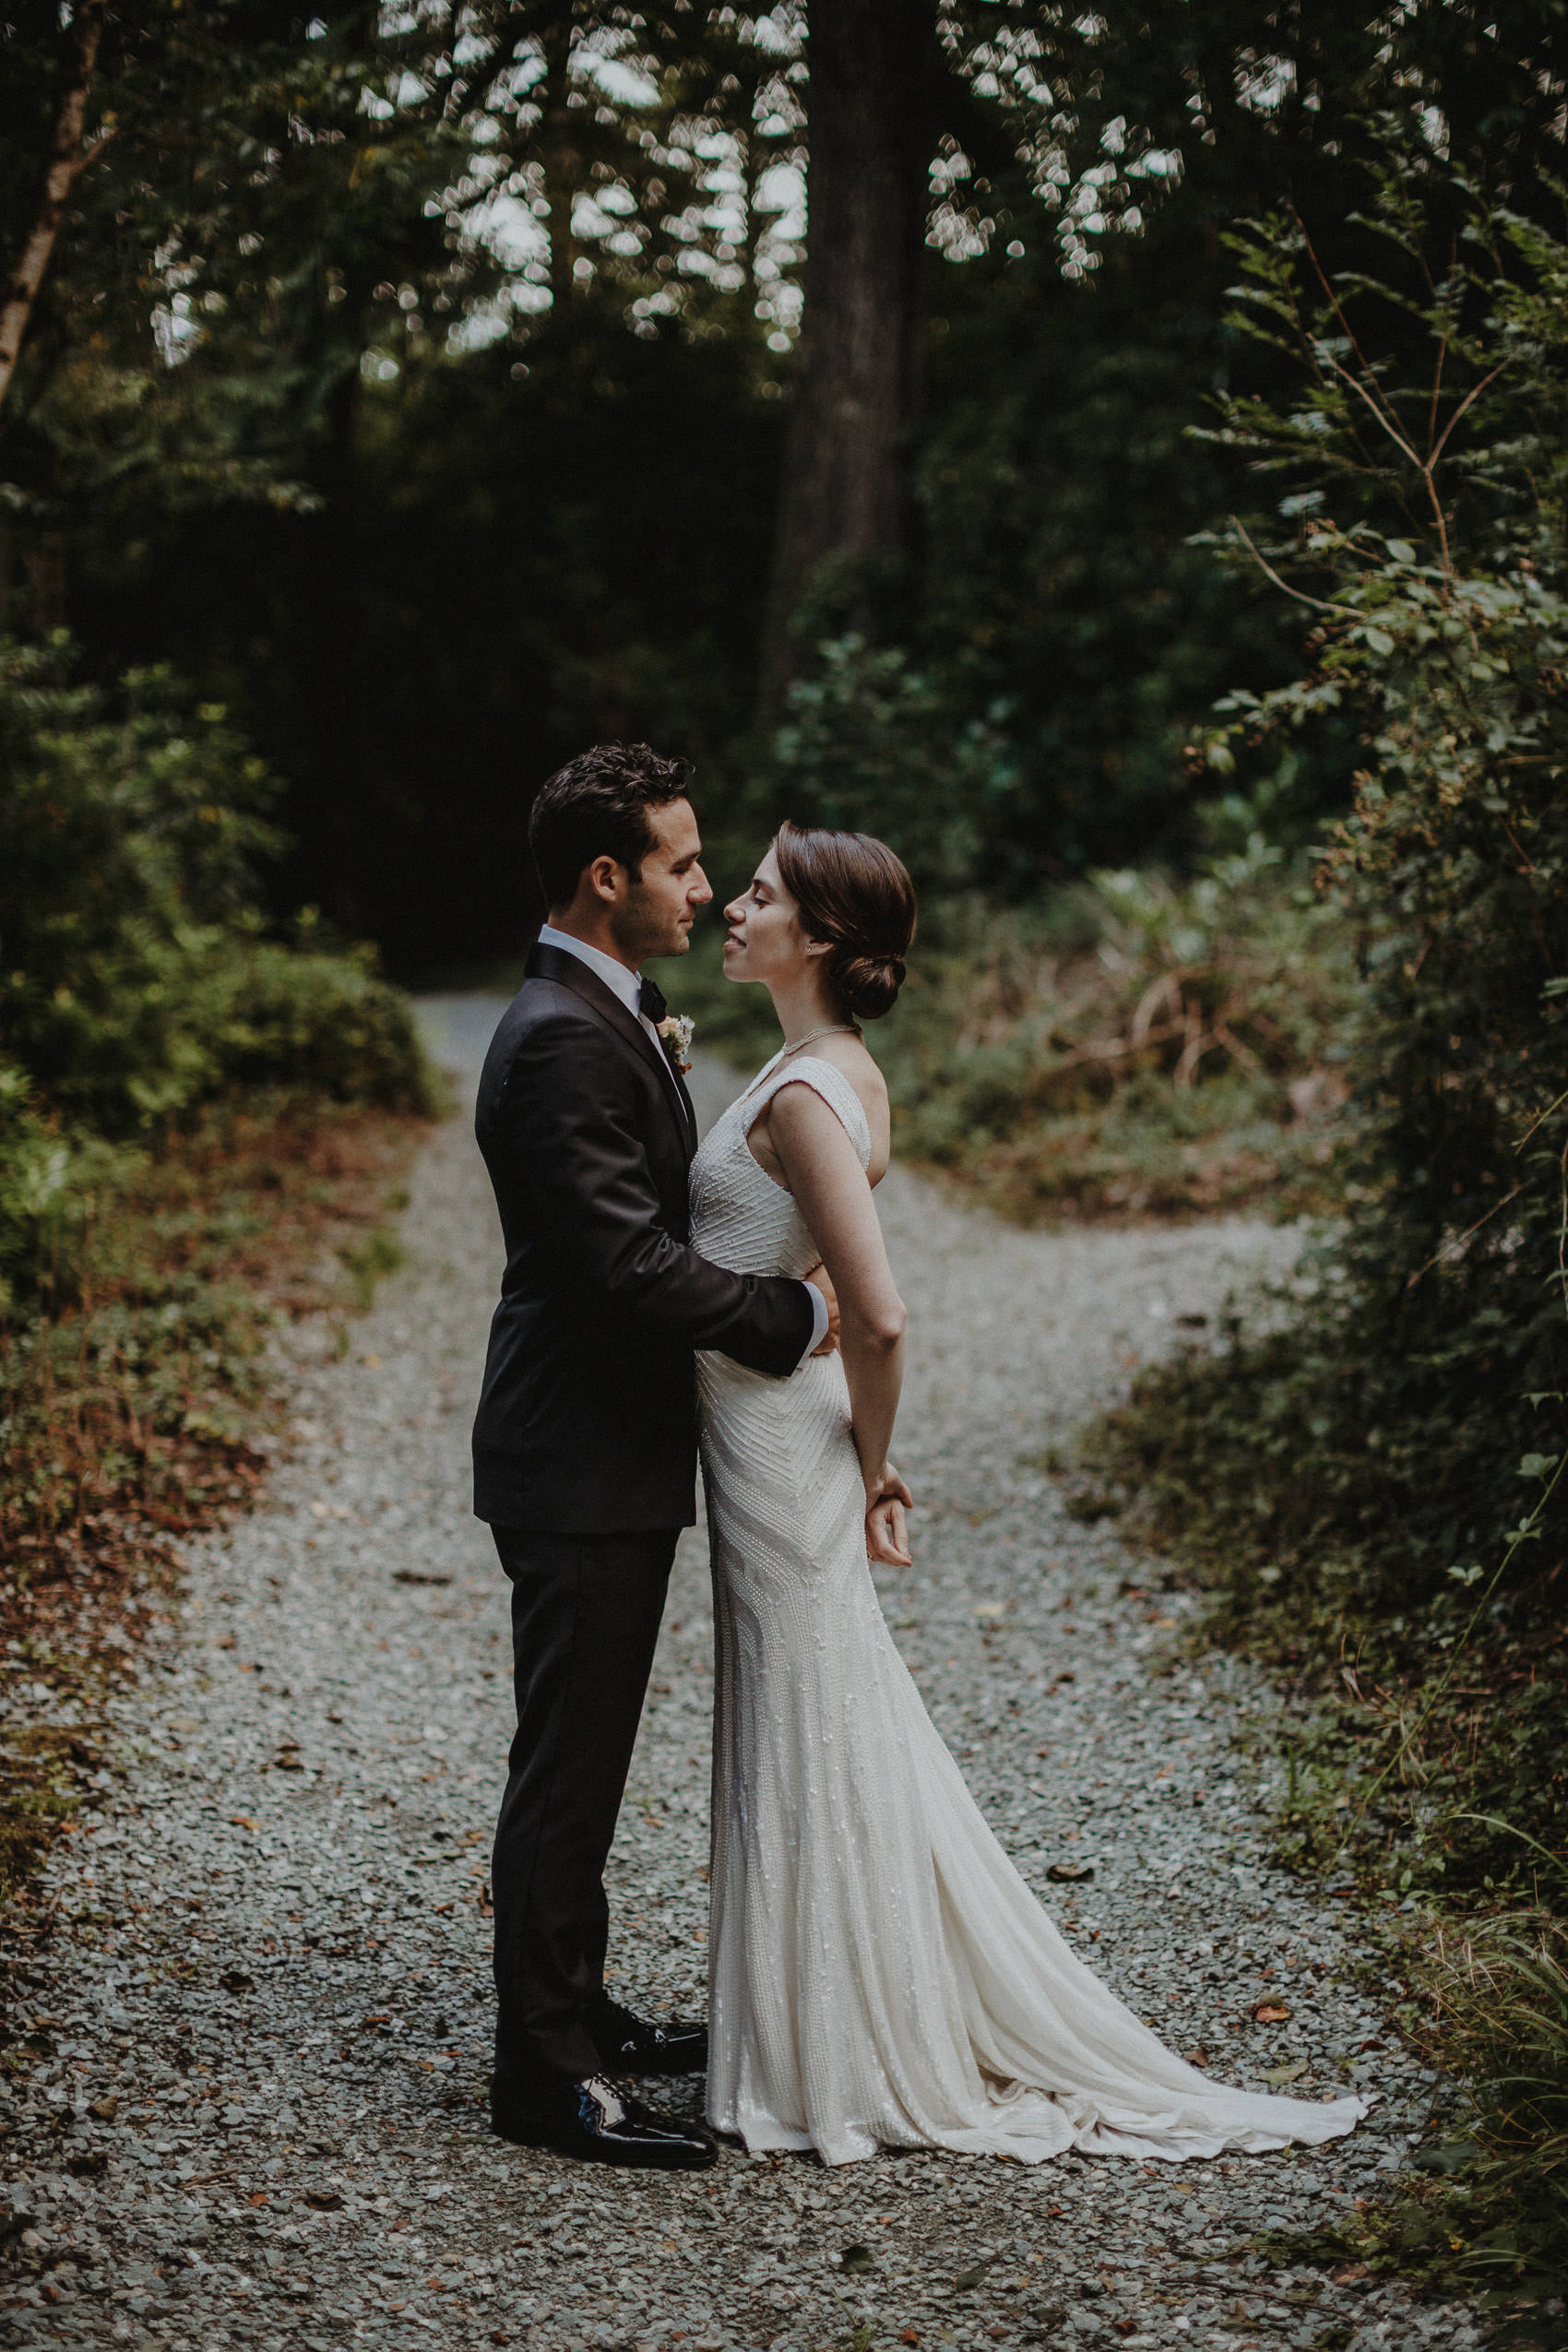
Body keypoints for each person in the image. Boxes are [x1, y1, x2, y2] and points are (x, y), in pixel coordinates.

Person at [691, 820, 1371, 2165]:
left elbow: (878, 1314)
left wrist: (876, 1465)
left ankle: (838, 2046)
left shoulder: (806, 1097)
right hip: (766, 1431)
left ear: (819, 938)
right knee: (819, 1718)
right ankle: (802, 2019)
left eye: (760, 894)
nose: (733, 904)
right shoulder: (818, 1068)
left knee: (809, 1723)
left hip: (781, 1447)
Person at [471, 746, 838, 2170]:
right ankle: (542, 2072)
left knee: (590, 1751)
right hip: (575, 1451)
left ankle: (577, 2005)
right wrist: (785, 1314)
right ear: (605, 876)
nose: (705, 885)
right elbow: (623, 1259)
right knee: (567, 1765)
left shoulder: (604, 1004)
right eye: (684, 864)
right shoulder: (560, 1032)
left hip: (599, 1447)